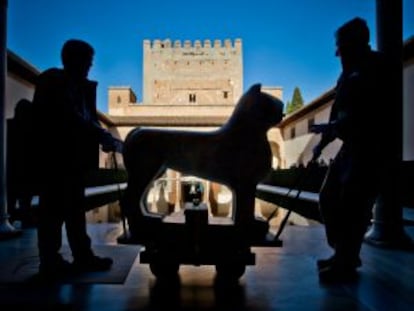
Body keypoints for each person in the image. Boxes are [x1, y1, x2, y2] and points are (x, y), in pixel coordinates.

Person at [31, 39, 123, 279]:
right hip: (56, 159)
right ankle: (51, 261)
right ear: (74, 60)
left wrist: (102, 136)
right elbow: (70, 118)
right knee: (53, 212)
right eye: (87, 62)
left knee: (73, 211)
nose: (89, 67)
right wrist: (101, 134)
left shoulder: (77, 87)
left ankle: (82, 256)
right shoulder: (54, 82)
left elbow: (86, 121)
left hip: (71, 161)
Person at [310, 17, 391, 283]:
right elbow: (338, 110)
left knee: (353, 206)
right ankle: (343, 254)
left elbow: (374, 111)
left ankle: (345, 260)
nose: (337, 53)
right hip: (350, 148)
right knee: (327, 197)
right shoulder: (346, 73)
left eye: (340, 46)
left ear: (356, 43)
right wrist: (322, 143)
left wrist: (333, 126)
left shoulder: (376, 66)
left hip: (370, 148)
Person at [6, 99, 35, 226]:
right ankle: (24, 218)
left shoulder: (9, 125)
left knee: (14, 195)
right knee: (24, 195)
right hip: (23, 166)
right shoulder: (30, 128)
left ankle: (12, 217)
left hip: (12, 165)